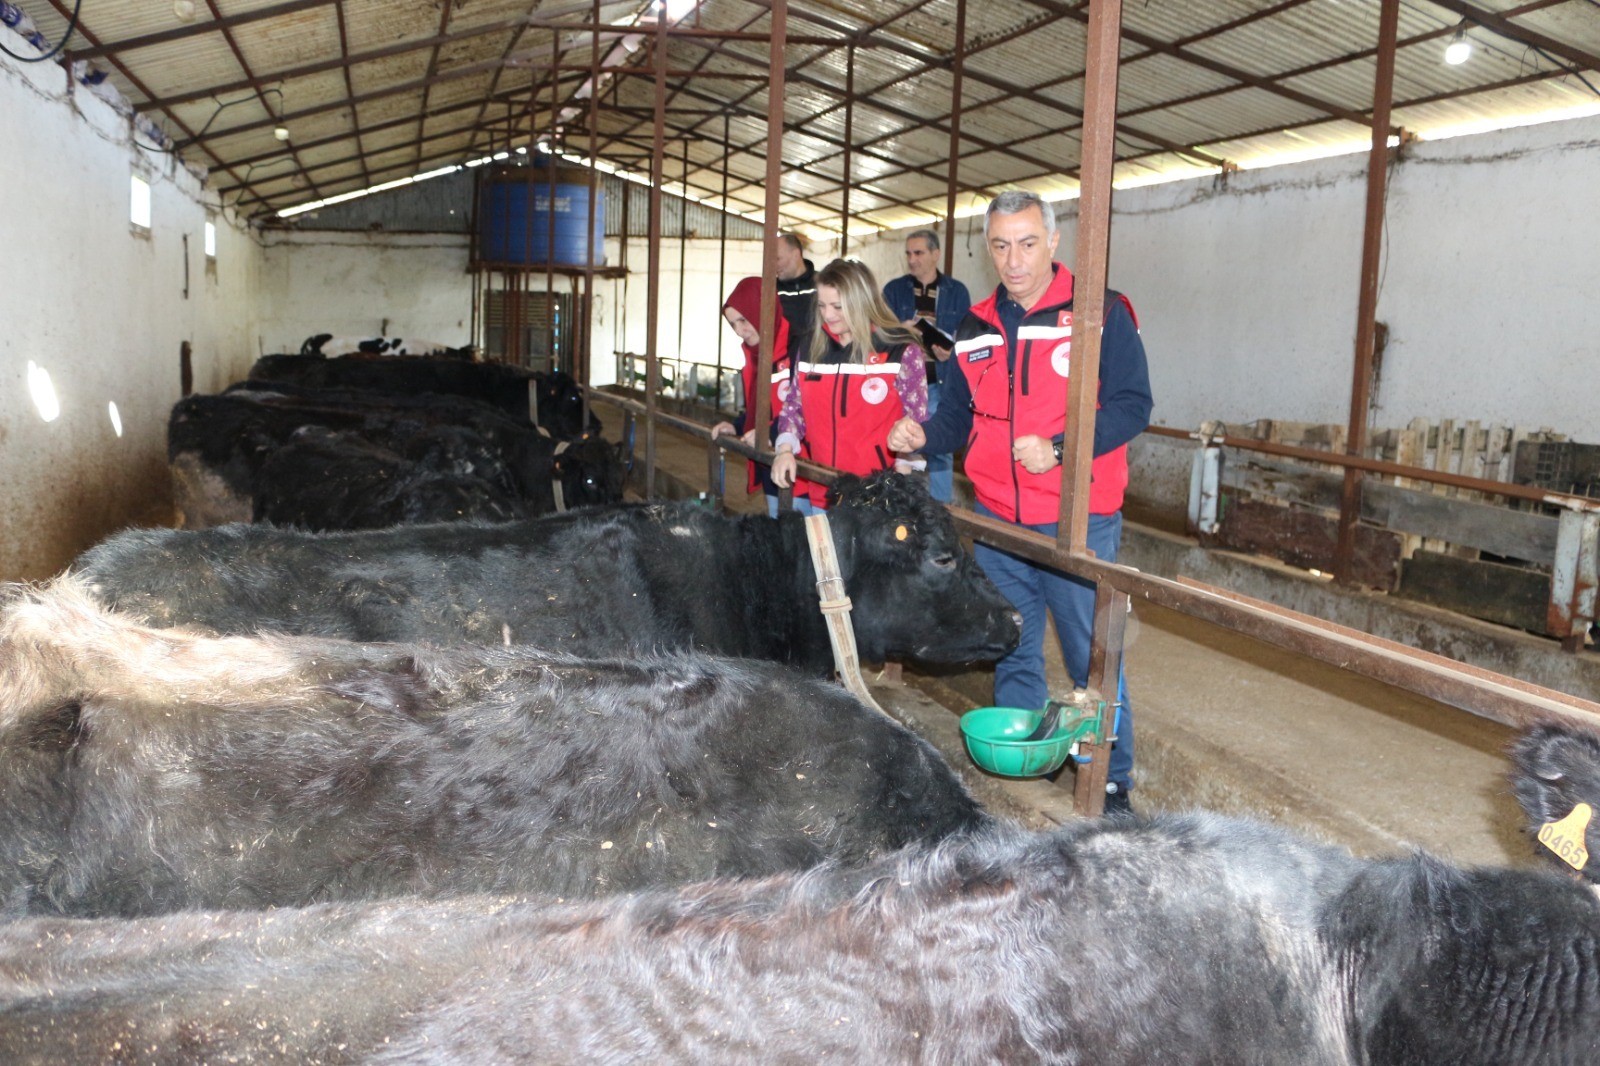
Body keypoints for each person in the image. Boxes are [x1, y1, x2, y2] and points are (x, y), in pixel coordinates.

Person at [886, 190, 1152, 814]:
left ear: (1053, 242)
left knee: (1094, 655)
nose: (1015, 260)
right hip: (1001, 523)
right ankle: (1027, 768)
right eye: (1001, 245)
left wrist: (1060, 449)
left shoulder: (1099, 314)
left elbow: (1133, 406)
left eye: (1028, 243)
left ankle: (1113, 785)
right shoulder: (974, 326)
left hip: (1075, 523)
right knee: (1014, 646)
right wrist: (922, 433)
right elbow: (956, 418)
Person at [771, 259, 928, 514]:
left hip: (878, 496)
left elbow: (915, 421)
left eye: (838, 306)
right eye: (822, 306)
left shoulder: (900, 350)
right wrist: (785, 450)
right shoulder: (810, 347)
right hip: (823, 490)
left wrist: (904, 476)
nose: (828, 315)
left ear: (861, 302)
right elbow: (794, 407)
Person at [882, 229, 971, 503]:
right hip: (904, 385)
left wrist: (951, 353)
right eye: (908, 253)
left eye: (918, 253)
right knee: (901, 445)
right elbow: (881, 335)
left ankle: (941, 509)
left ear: (936, 254)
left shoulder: (957, 292)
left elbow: (966, 339)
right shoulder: (893, 290)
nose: (912, 259)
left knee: (940, 446)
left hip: (939, 382)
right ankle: (902, 506)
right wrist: (901, 329)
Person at [710, 276, 808, 517]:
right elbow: (760, 407)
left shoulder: (800, 350)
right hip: (771, 468)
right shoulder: (755, 356)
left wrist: (771, 434)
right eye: (733, 324)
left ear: (761, 310)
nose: (739, 331)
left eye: (744, 320)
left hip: (803, 469)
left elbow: (810, 410)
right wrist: (738, 426)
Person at [772, 232, 817, 365]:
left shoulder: (823, 285)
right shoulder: (771, 291)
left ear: (796, 255)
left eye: (778, 259)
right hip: (782, 368)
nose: (774, 265)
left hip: (817, 365)